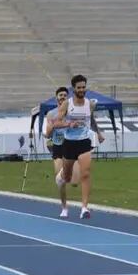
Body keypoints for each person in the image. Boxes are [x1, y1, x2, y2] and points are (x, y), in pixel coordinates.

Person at [54, 75, 105, 219]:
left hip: (84, 141)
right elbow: (56, 123)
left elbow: (92, 120)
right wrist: (69, 124)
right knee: (67, 177)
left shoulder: (89, 104)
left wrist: (98, 134)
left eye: (83, 87)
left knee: (86, 174)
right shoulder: (67, 104)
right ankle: (62, 182)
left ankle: (84, 208)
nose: (82, 90)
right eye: (79, 87)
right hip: (69, 143)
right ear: (74, 89)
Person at [44, 86, 80, 218]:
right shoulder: (51, 114)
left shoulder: (73, 112)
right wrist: (50, 128)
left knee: (75, 183)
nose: (63, 97)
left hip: (72, 146)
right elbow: (48, 134)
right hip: (58, 147)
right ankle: (64, 207)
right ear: (56, 98)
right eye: (60, 95)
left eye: (65, 95)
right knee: (60, 181)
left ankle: (75, 168)